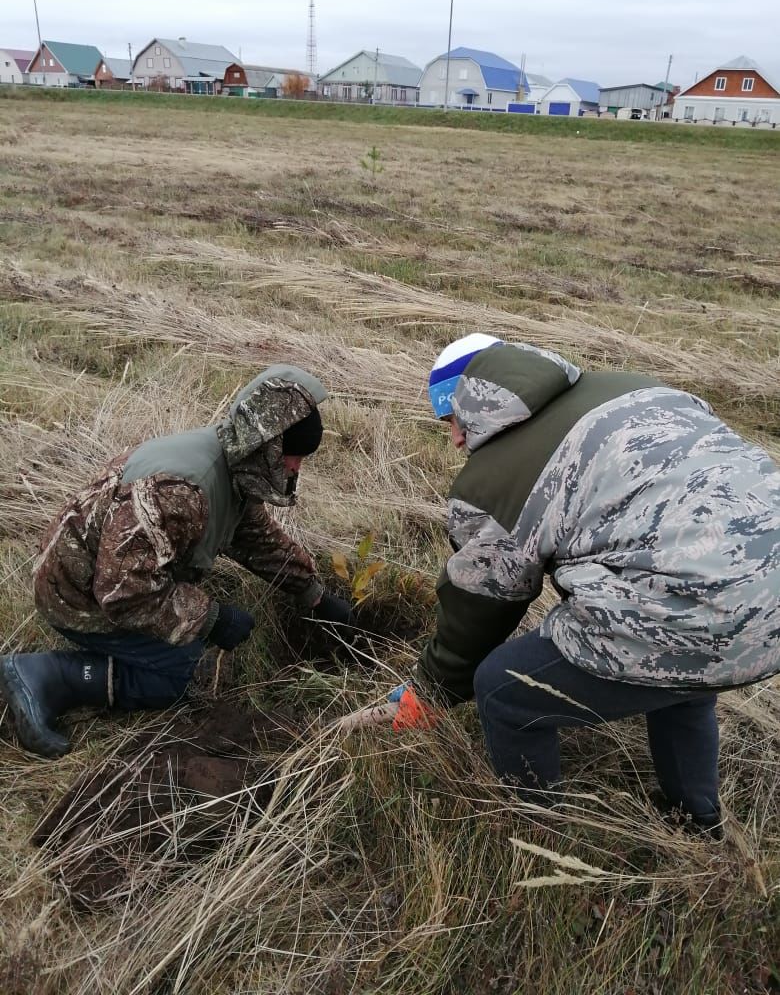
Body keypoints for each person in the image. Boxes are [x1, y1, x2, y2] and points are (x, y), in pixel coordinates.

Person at [387, 334, 780, 832]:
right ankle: (697, 824)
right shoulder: (633, 387)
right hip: (764, 582)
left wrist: (430, 690)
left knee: (503, 689)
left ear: (478, 404)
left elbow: (478, 609)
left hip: (704, 605)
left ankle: (539, 838)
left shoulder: (493, 480)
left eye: (454, 419)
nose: (456, 439)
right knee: (682, 670)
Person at [0, 365, 353, 758]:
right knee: (184, 672)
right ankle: (47, 676)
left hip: (99, 575)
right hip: (75, 595)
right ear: (266, 444)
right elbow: (124, 594)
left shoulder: (232, 464)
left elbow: (256, 539)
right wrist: (212, 618)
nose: (295, 469)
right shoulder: (182, 491)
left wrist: (315, 596)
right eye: (293, 457)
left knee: (187, 647)